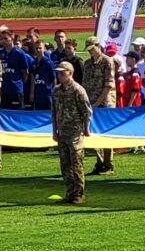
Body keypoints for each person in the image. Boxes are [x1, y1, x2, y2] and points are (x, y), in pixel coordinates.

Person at [50, 59, 91, 204]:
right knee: (65, 164)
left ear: (70, 73)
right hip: (62, 132)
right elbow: (54, 112)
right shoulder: (56, 91)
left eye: (63, 73)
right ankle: (69, 192)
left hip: (75, 132)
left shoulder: (77, 90)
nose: (60, 76)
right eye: (59, 73)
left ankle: (79, 194)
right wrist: (54, 131)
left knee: (76, 163)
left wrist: (86, 128)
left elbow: (86, 111)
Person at [80, 42, 117, 175]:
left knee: (106, 133)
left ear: (98, 46)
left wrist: (98, 102)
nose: (90, 52)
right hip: (91, 102)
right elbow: (85, 84)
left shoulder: (107, 61)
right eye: (89, 49)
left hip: (105, 103)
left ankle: (108, 164)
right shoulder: (87, 64)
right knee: (93, 133)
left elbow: (108, 85)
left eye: (92, 49)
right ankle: (99, 162)